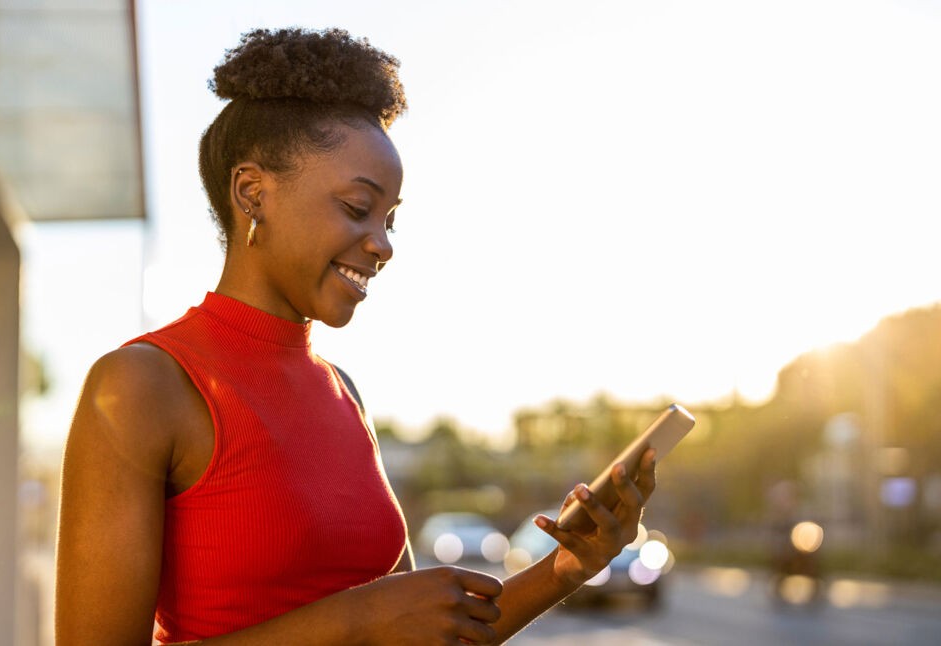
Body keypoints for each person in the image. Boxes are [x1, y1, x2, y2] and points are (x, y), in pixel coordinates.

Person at [55, 27, 657, 645]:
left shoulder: (342, 392)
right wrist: (359, 621)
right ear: (251, 192)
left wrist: (567, 566)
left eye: (390, 218)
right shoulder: (142, 385)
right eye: (356, 207)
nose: (384, 244)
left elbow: (422, 630)